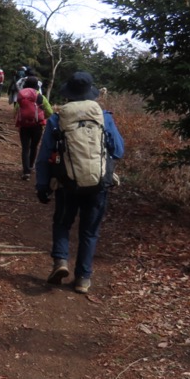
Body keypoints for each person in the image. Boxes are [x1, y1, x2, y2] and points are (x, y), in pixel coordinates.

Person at [35, 72, 125, 294]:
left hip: (67, 183)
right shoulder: (104, 117)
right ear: (90, 93)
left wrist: (42, 186)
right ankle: (83, 279)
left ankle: (60, 262)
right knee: (89, 231)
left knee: (62, 223)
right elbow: (119, 151)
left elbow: (44, 155)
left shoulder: (57, 119)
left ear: (69, 94)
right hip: (97, 184)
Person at [15, 76, 53, 180]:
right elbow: (50, 111)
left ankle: (25, 171)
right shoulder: (40, 96)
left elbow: (16, 110)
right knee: (34, 147)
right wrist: (41, 117)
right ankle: (31, 167)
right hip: (37, 125)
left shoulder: (21, 95)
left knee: (25, 148)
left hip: (24, 126)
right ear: (37, 85)